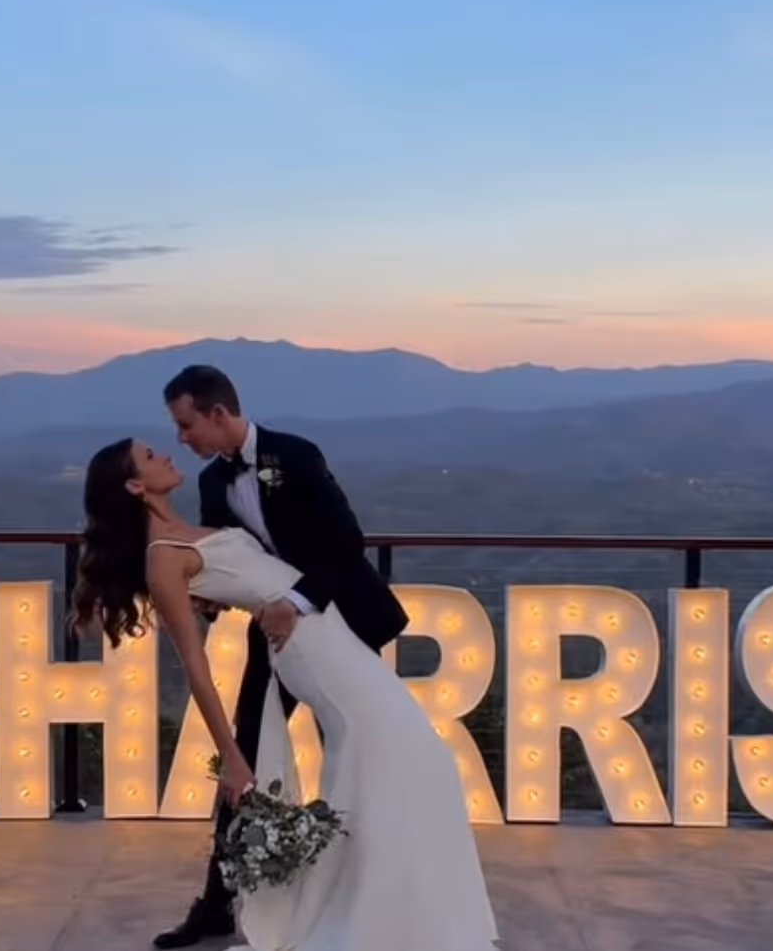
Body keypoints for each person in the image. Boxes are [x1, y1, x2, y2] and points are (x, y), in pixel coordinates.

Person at [71, 432, 500, 951]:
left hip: (331, 630)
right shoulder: (163, 558)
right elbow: (196, 667)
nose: (166, 450)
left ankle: (392, 909)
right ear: (137, 485)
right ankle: (376, 917)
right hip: (308, 650)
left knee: (390, 760)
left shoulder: (192, 527)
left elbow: (278, 555)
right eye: (149, 455)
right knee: (412, 753)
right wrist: (232, 758)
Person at [156, 364, 409, 947]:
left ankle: (367, 890)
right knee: (244, 758)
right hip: (272, 642)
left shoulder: (294, 455)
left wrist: (295, 602)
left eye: (186, 423)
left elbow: (347, 542)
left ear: (219, 414)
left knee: (354, 749)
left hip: (338, 629)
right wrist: (209, 602)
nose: (182, 438)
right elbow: (229, 556)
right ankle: (217, 905)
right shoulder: (213, 484)